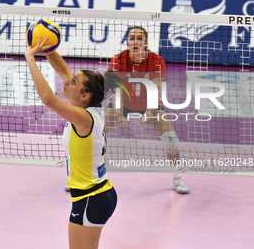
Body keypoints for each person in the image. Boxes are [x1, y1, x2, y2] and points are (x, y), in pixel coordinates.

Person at [25, 37, 118, 249]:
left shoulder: (83, 117)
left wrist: (30, 58)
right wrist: (47, 49)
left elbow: (48, 99)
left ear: (84, 95)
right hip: (99, 194)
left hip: (90, 199)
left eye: (73, 82)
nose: (67, 81)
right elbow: (64, 68)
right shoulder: (88, 107)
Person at [106, 26, 190, 194]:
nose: (135, 41)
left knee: (172, 141)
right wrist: (119, 114)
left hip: (149, 103)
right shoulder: (118, 60)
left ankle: (176, 177)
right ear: (127, 41)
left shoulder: (156, 60)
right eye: (131, 38)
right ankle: (85, 176)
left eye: (139, 38)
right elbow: (115, 91)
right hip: (123, 104)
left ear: (145, 42)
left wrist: (150, 112)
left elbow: (156, 89)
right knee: (94, 136)